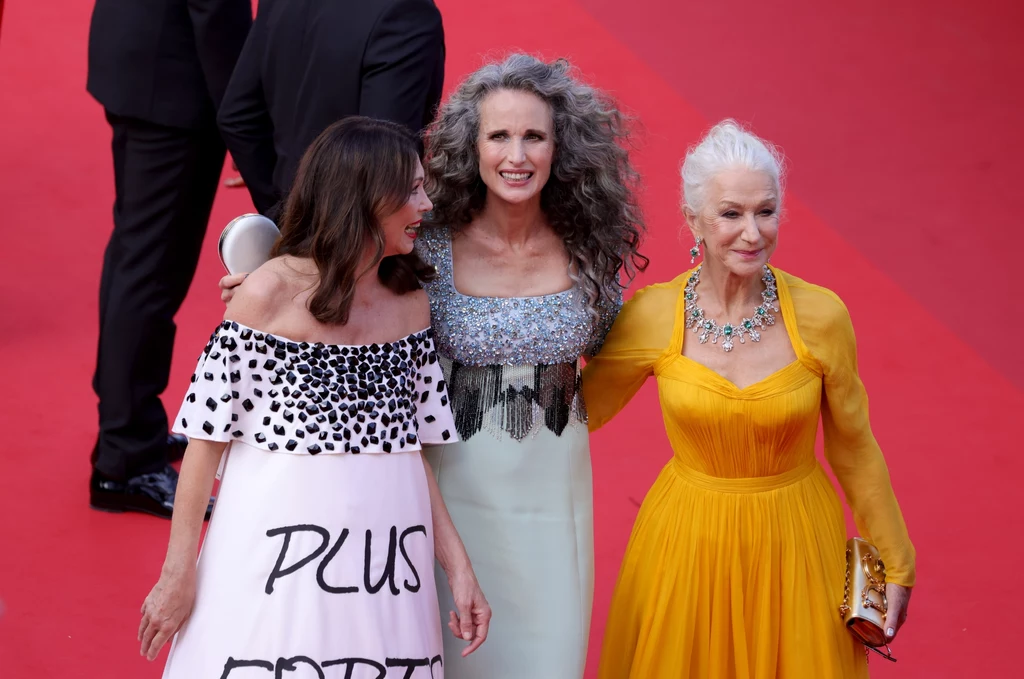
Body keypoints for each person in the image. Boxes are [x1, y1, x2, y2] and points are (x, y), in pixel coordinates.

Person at [219, 54, 647, 678]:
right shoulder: (429, 242)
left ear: (562, 148)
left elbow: (622, 348)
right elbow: (344, 296)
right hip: (445, 485)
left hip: (553, 495)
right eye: (499, 135)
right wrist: (263, 287)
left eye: (534, 136)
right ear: (470, 146)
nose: (517, 155)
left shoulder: (589, 251)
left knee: (547, 657)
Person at [138, 117, 491, 676]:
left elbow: (411, 451)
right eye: (413, 189)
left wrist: (458, 566)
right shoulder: (267, 294)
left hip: (388, 570)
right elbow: (204, 443)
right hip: (276, 562)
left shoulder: (410, 305)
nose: (427, 203)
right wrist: (178, 573)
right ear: (367, 196)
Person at [583, 120, 915, 678]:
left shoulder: (822, 315)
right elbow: (574, 415)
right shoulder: (651, 314)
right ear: (694, 221)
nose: (751, 233)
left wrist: (896, 565)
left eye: (765, 211)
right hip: (685, 545)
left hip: (798, 545)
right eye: (731, 213)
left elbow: (855, 449)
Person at [86, 0, 252, 518]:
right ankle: (125, 459)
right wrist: (243, 115)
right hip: (175, 79)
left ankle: (129, 429)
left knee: (135, 256)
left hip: (141, 55)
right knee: (150, 269)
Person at [217, 0, 446, 220]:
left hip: (299, 226)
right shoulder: (406, 11)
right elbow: (383, 157)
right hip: (361, 243)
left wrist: (284, 213)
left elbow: (237, 116)